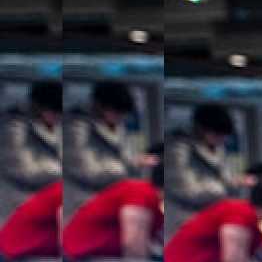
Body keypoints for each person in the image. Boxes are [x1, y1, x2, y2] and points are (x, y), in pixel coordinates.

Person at [63, 80, 155, 215]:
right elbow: (86, 170)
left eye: (122, 113)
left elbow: (122, 156)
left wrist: (137, 161)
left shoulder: (117, 126)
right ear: (99, 106)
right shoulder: (76, 128)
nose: (120, 117)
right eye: (116, 112)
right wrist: (130, 165)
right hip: (83, 202)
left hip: (111, 201)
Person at [164, 103, 248, 236]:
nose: (221, 139)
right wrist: (223, 187)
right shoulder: (177, 149)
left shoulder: (217, 149)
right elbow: (186, 189)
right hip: (184, 220)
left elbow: (224, 179)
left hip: (211, 218)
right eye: (217, 134)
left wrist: (233, 183)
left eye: (224, 135)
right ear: (201, 129)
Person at [1, 80, 63, 224]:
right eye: (50, 110)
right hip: (18, 204)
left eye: (57, 111)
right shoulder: (13, 126)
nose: (54, 116)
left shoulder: (57, 127)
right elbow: (22, 169)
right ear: (36, 106)